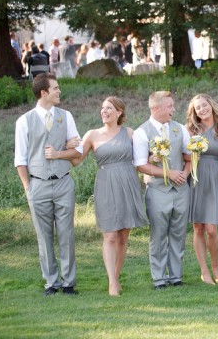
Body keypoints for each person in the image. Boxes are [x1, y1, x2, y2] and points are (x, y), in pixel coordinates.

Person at [69, 97, 148, 295]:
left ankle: (117, 275)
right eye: (102, 108)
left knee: (123, 235)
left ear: (119, 112)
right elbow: (76, 160)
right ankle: (112, 282)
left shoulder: (130, 133)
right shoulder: (92, 135)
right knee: (110, 234)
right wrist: (63, 147)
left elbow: (143, 158)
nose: (104, 111)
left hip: (128, 183)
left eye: (109, 108)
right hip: (106, 184)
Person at [14, 73, 82, 296]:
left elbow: (77, 151)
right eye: (55, 88)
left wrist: (63, 147)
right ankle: (51, 283)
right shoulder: (24, 121)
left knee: (66, 234)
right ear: (44, 93)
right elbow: (20, 159)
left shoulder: (66, 116)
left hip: (63, 182)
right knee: (43, 236)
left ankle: (68, 282)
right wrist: (27, 187)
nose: (59, 91)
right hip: (38, 184)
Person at [133, 91, 192, 289]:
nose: (173, 109)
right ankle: (159, 278)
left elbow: (189, 155)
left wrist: (185, 172)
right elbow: (141, 165)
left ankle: (176, 276)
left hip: (181, 190)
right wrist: (168, 174)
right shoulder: (142, 132)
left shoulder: (180, 129)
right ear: (156, 108)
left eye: (173, 105)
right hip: (158, 191)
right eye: (169, 106)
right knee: (158, 235)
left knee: (178, 233)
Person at [186, 94, 218, 285]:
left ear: (211, 106)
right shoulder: (190, 130)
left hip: (217, 178)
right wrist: (193, 156)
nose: (202, 110)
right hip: (196, 177)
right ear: (194, 112)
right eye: (198, 108)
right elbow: (183, 155)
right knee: (198, 226)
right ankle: (204, 270)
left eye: (204, 105)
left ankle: (215, 264)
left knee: (211, 229)